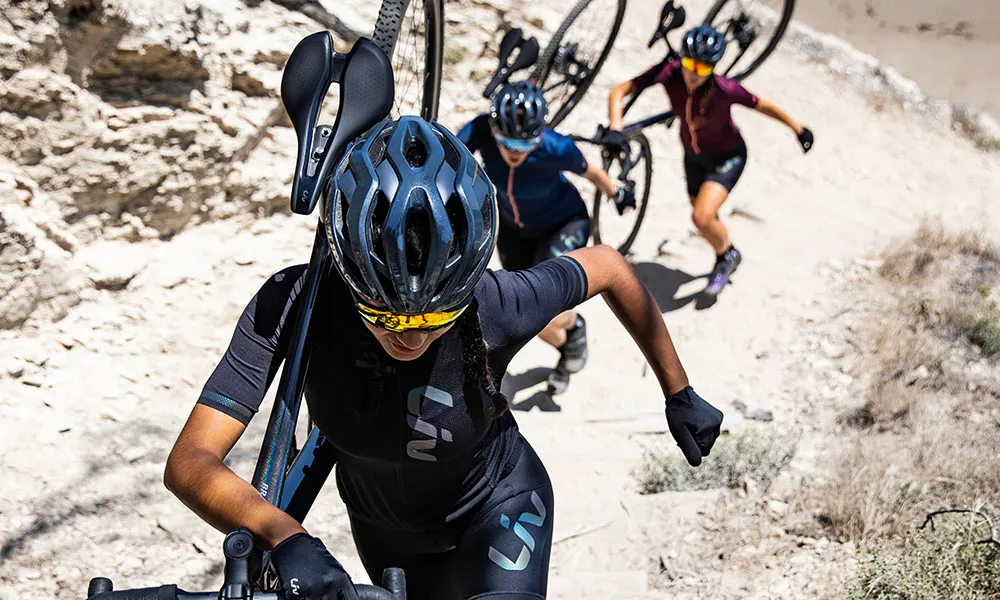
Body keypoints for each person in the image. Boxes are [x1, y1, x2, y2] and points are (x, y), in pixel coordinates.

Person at [164, 116, 723, 600]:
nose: (409, 338)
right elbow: (190, 461)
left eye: (434, 320)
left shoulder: (496, 304)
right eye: (383, 316)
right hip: (388, 538)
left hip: (500, 506)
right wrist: (283, 535)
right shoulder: (296, 303)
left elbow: (609, 265)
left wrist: (680, 393)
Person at [607, 25, 814, 296]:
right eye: (690, 64)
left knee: (701, 217)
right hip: (692, 157)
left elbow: (763, 105)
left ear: (713, 68)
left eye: (703, 68)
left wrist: (797, 128)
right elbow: (620, 90)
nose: (693, 73)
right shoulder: (669, 74)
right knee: (705, 218)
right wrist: (615, 126)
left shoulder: (725, 89)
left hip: (727, 157)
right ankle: (725, 248)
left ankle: (727, 255)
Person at [458, 80, 634, 394]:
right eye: (506, 142)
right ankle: (572, 336)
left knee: (543, 311)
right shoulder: (480, 129)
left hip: (564, 223)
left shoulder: (557, 147)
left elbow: (590, 171)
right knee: (520, 308)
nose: (514, 152)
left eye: (525, 145)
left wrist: (616, 192)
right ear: (493, 128)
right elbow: (450, 156)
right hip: (514, 230)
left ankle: (569, 327)